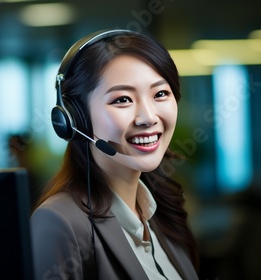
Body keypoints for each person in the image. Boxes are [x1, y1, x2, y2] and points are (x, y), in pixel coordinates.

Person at [30, 29, 200, 279]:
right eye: (122, 99)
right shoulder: (58, 223)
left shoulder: (161, 211)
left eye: (160, 94)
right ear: (75, 118)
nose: (148, 118)